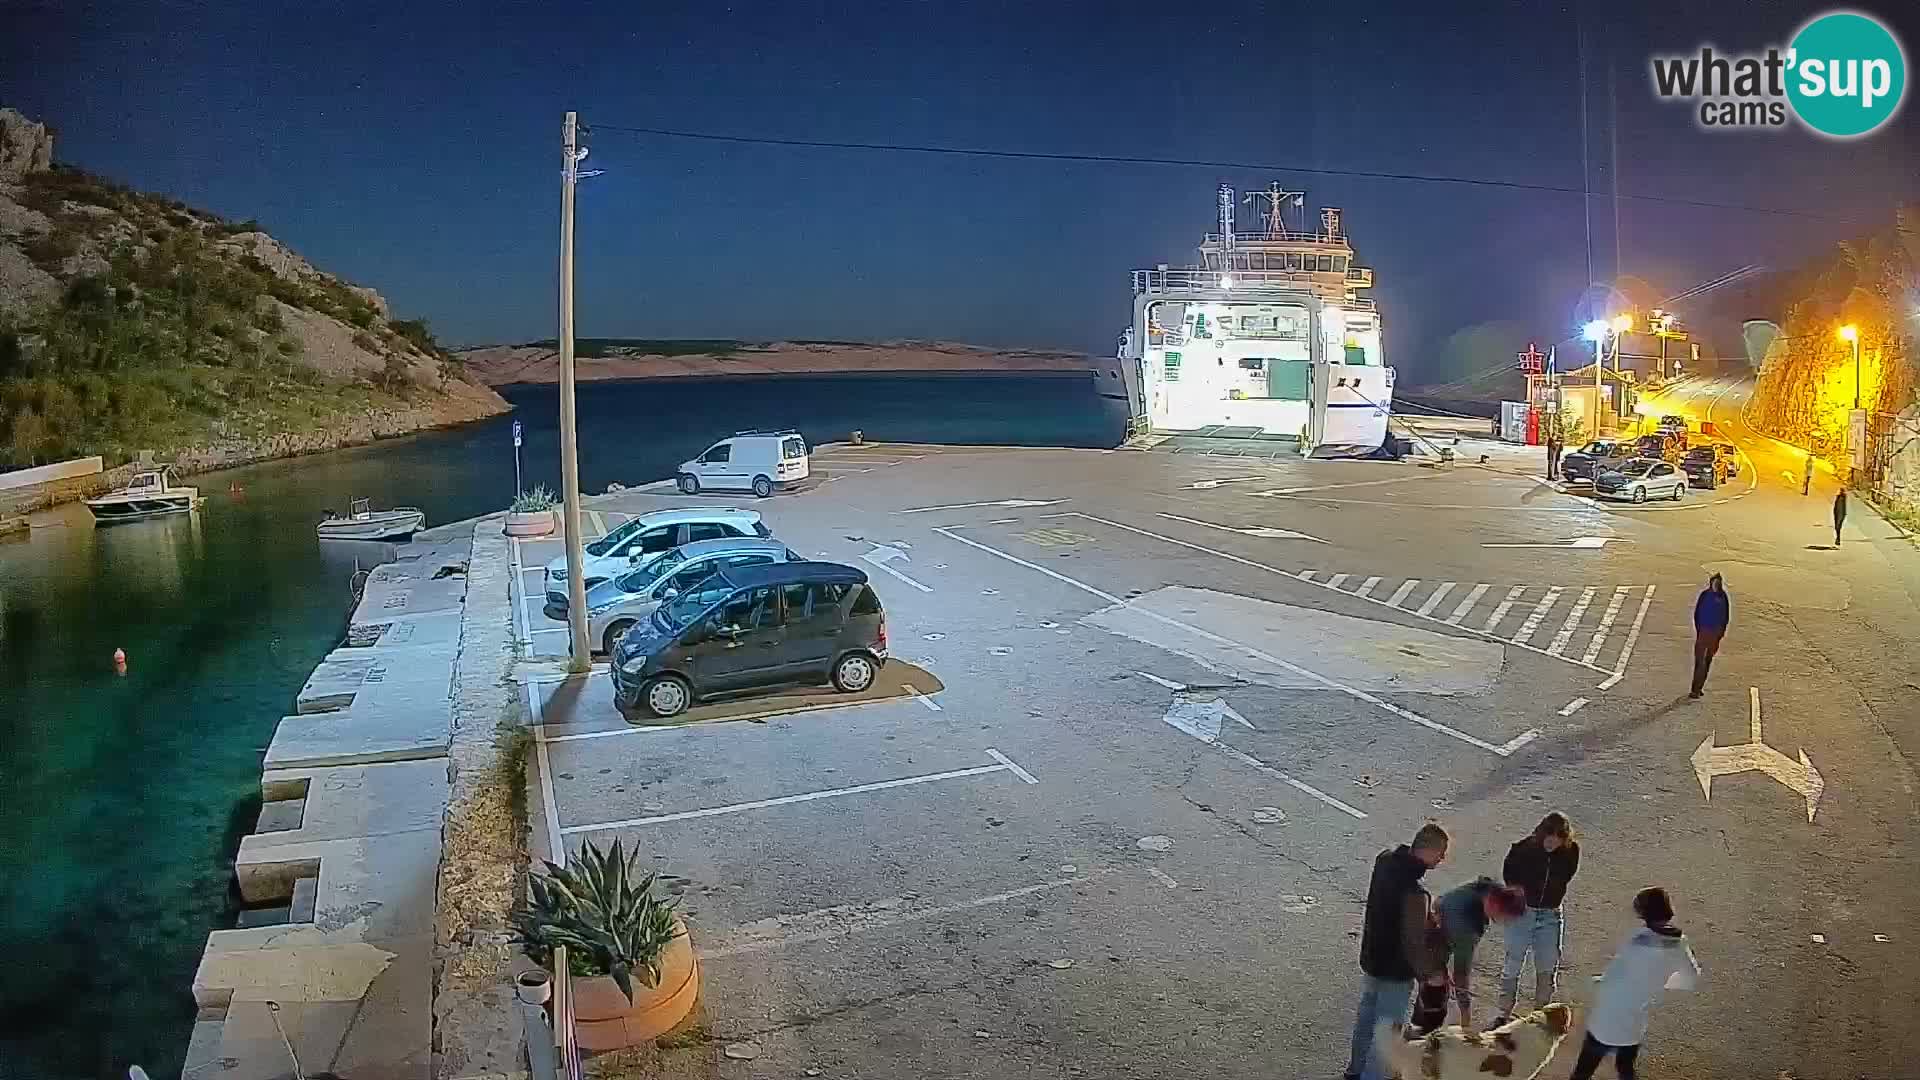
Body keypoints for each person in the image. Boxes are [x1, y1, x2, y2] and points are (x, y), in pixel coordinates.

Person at [1345, 822, 1450, 1080]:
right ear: (1428, 852)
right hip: (1396, 972)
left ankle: (1355, 1071)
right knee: (1386, 1036)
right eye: (1441, 853)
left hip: (1372, 958)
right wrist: (1430, 975)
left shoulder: (1385, 860)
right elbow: (1413, 944)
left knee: (1366, 1021)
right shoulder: (1415, 893)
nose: (1442, 859)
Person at [1569, 887, 1701, 1080]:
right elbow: (1691, 977)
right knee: (1625, 1067)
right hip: (1635, 1021)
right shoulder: (1679, 944)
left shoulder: (1637, 942)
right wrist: (1659, 983)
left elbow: (1611, 978)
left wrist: (1593, 984)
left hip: (1608, 1017)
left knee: (1584, 1070)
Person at [1410, 878, 1528, 1034]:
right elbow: (1461, 974)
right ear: (1496, 905)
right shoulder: (1467, 928)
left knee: (1437, 978)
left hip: (1436, 918)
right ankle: (1423, 1034)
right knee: (1436, 986)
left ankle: (1417, 1025)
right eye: (1504, 918)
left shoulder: (1488, 889)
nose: (1503, 923)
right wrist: (1465, 1015)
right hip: (1425, 939)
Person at [1497, 812, 1580, 1021]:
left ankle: (1540, 1014)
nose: (1552, 842)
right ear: (1541, 833)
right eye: (1548, 836)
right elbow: (1510, 877)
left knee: (1548, 964)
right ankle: (1503, 1012)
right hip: (1524, 911)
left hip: (1551, 913)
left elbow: (1567, 876)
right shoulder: (1522, 850)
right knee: (1513, 962)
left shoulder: (1571, 852)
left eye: (1558, 837)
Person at [1690, 573, 1730, 699]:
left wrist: (1720, 633)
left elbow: (1725, 616)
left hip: (1714, 634)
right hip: (1704, 632)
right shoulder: (1705, 595)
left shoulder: (1722, 597)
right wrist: (1699, 629)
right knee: (1699, 661)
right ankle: (1695, 689)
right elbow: (1697, 613)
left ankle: (1699, 687)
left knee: (1707, 661)